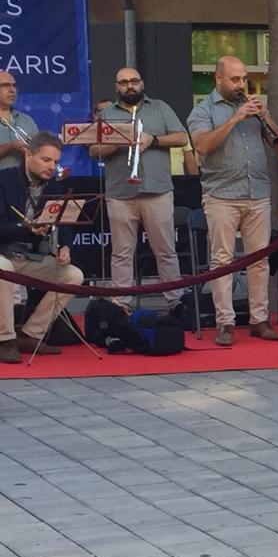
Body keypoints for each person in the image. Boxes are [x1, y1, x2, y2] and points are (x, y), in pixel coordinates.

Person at [188, 56, 278, 346]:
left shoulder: (253, 110)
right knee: (222, 261)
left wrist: (264, 116)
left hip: (257, 193)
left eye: (244, 78)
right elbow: (202, 145)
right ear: (218, 78)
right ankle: (225, 323)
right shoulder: (202, 111)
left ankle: (259, 319)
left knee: (259, 260)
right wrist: (235, 118)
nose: (241, 84)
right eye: (235, 79)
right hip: (221, 195)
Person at [92, 67, 186, 313]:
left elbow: (181, 137)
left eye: (134, 81)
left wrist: (152, 139)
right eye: (123, 82)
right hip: (120, 193)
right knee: (121, 253)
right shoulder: (106, 114)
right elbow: (93, 151)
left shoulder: (160, 107)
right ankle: (121, 305)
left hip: (158, 191)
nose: (129, 86)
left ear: (142, 83)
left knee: (165, 250)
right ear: (116, 86)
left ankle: (176, 302)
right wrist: (118, 141)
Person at [0, 134, 85, 361]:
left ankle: (31, 334)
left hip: (29, 257)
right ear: (28, 155)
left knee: (74, 276)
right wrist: (25, 229)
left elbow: (63, 225)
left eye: (56, 162)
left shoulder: (54, 187)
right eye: (46, 160)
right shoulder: (3, 179)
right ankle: (5, 340)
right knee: (3, 267)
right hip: (3, 254)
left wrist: (65, 246)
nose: (52, 167)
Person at [0, 71, 39, 171]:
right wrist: (11, 146)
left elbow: (38, 154)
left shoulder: (27, 120)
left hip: (22, 184)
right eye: (5, 85)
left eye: (14, 86)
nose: (12, 90)